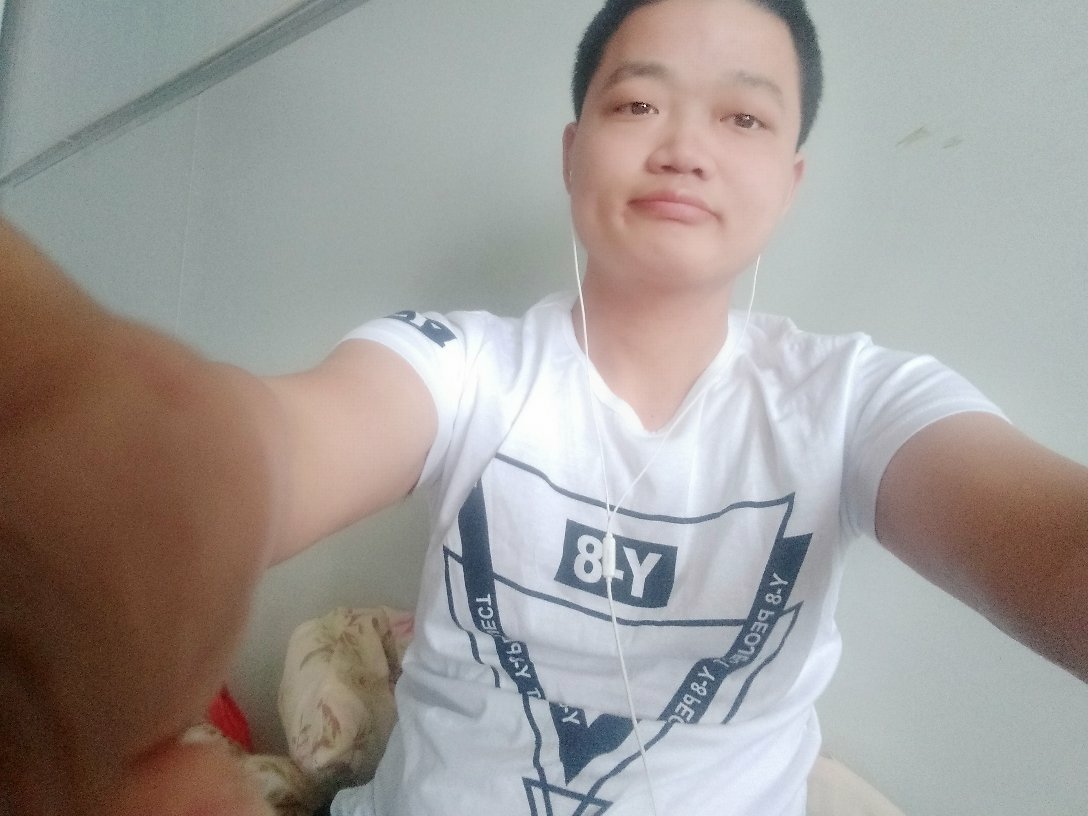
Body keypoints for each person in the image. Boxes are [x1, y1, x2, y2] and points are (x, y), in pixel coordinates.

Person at [0, 1, 1084, 815]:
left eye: (743, 116)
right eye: (636, 103)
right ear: (572, 153)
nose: (683, 145)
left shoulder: (858, 401)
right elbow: (276, 450)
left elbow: (1044, 538)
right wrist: (122, 467)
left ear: (789, 182)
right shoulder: (466, 367)